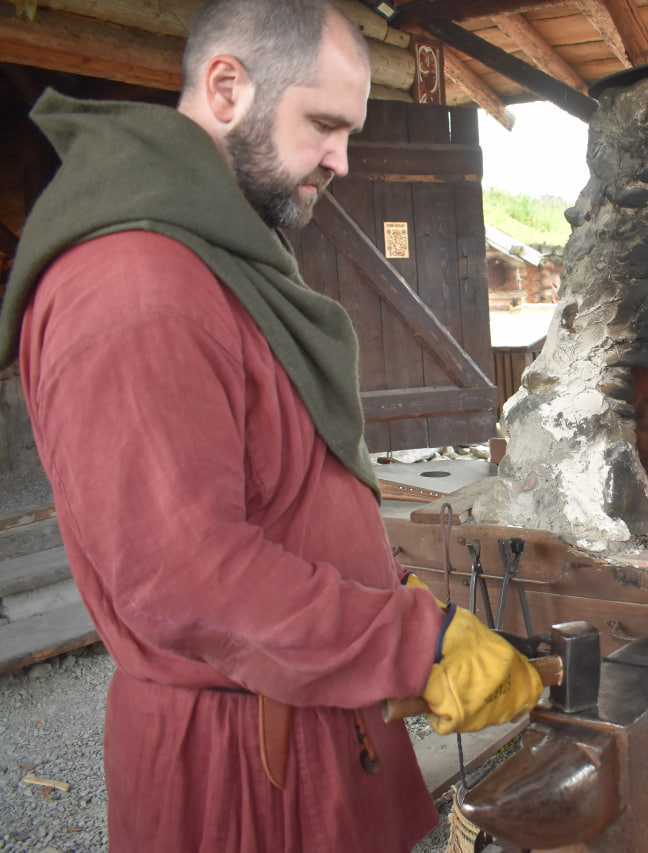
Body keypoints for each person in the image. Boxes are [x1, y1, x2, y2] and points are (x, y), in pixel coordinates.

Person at [0, 1, 541, 849]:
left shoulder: (210, 258)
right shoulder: (132, 288)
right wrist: (415, 644)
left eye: (351, 132)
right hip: (245, 780)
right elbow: (182, 578)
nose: (343, 160)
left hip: (311, 731)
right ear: (225, 88)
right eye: (324, 124)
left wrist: (383, 605)